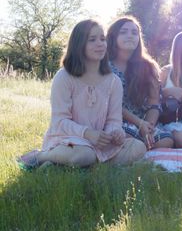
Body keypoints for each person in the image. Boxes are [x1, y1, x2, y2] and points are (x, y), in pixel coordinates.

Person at [17, 19, 146, 170]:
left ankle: (73, 166)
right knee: (84, 154)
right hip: (67, 140)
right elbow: (59, 122)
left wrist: (115, 133)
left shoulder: (113, 81)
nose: (100, 44)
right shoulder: (64, 77)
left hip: (100, 142)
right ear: (79, 44)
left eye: (102, 39)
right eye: (92, 40)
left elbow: (114, 120)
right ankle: (41, 156)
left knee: (137, 147)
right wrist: (87, 133)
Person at [107, 16, 174, 149]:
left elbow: (154, 102)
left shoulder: (148, 66)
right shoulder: (105, 67)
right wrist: (139, 123)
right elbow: (110, 104)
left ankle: (142, 145)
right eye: (123, 32)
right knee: (128, 139)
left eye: (134, 32)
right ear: (113, 37)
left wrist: (148, 126)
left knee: (166, 141)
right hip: (117, 120)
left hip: (144, 122)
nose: (130, 36)